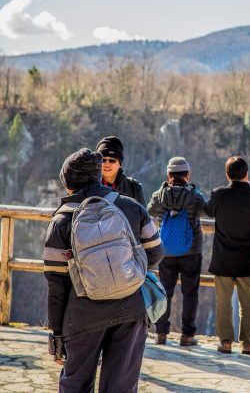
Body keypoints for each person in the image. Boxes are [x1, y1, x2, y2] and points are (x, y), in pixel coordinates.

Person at [44, 148, 163, 392]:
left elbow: (56, 286)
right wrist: (125, 272)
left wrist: (57, 333)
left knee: (75, 385)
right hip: (131, 310)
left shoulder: (60, 222)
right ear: (98, 177)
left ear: (69, 183)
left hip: (82, 315)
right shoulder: (131, 208)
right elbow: (156, 252)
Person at [206, 156, 250, 355]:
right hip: (247, 260)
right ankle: (247, 343)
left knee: (224, 302)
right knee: (247, 303)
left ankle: (226, 342)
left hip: (223, 258)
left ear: (227, 175)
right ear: (247, 174)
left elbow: (208, 210)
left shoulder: (219, 194)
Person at [147, 157, 208, 346]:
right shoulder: (195, 195)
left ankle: (161, 333)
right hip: (191, 250)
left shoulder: (160, 195)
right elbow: (206, 211)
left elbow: (150, 210)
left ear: (168, 175)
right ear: (187, 175)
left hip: (166, 250)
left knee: (165, 290)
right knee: (190, 292)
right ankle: (187, 335)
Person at [96, 135, 146, 206]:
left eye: (112, 160)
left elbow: (143, 216)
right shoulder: (88, 187)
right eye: (103, 160)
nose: (107, 164)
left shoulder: (134, 188)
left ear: (120, 164)